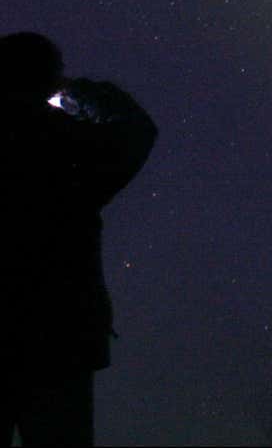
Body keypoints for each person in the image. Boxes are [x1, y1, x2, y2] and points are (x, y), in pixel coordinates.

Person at [0, 32, 157, 445]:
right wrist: (79, 92)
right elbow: (137, 131)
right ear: (50, 80)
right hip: (59, 341)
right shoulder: (68, 145)